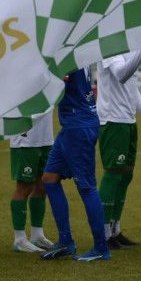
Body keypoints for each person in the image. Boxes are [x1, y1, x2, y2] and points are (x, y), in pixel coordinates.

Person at [38, 66, 110, 262]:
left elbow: (53, 88)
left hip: (78, 126)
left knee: (87, 187)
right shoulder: (74, 49)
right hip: (73, 124)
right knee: (49, 179)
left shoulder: (67, 54)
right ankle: (65, 241)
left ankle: (101, 247)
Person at [96, 50, 141, 249]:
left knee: (125, 176)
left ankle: (115, 229)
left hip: (127, 120)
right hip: (113, 120)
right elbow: (122, 74)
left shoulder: (129, 47)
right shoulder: (109, 45)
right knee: (113, 175)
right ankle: (103, 234)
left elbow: (131, 86)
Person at [9, 109, 55, 252]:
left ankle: (37, 235)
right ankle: (20, 239)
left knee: (42, 185)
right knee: (24, 186)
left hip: (46, 135)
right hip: (25, 136)